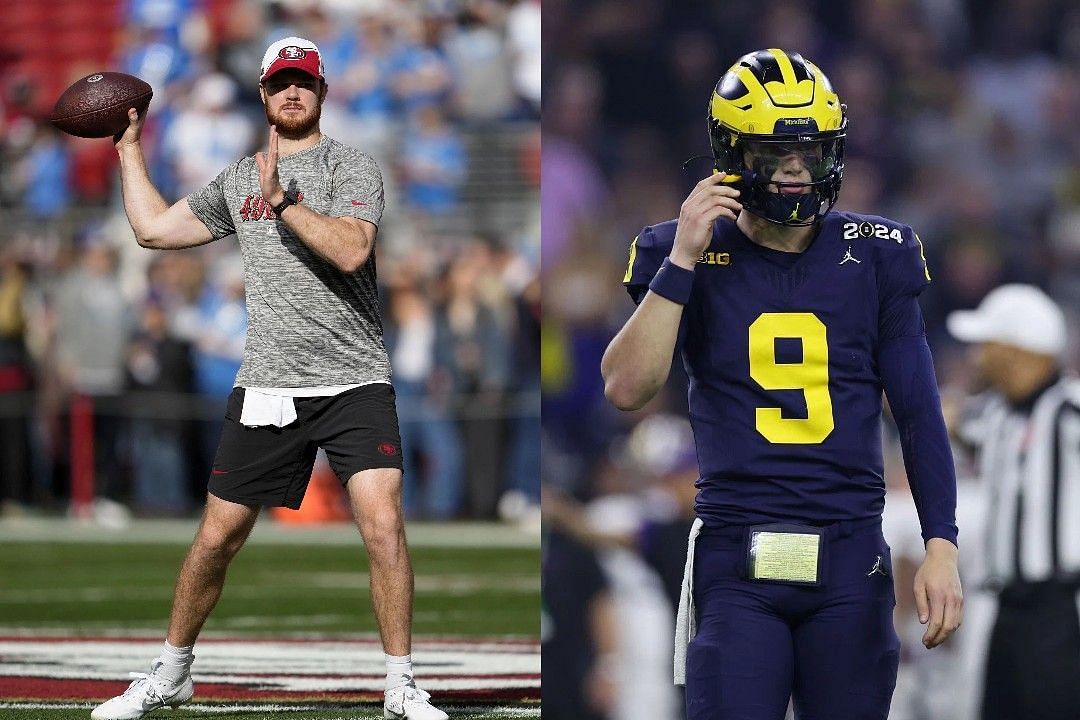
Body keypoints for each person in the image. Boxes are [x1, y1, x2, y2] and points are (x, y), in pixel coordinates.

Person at [91, 37, 447, 720]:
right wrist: (127, 149)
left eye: (303, 83)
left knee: (383, 522)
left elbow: (352, 249)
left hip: (353, 378)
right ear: (262, 92)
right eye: (281, 82)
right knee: (216, 538)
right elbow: (154, 231)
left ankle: (400, 683)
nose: (292, 93)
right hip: (269, 382)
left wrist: (283, 200)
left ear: (322, 90)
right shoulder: (237, 177)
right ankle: (171, 671)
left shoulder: (352, 167)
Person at [601, 49, 963, 720]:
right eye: (777, 156)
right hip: (736, 556)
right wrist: (682, 259)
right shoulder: (678, 250)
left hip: (852, 554)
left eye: (812, 154)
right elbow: (626, 387)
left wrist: (941, 544)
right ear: (731, 154)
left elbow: (917, 413)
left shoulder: (878, 253)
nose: (798, 174)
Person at [946, 285, 1080, 720]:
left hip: (1063, 608)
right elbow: (943, 418)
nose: (978, 357)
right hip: (1007, 608)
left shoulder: (1070, 411)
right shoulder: (996, 415)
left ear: (1020, 350)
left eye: (989, 344)